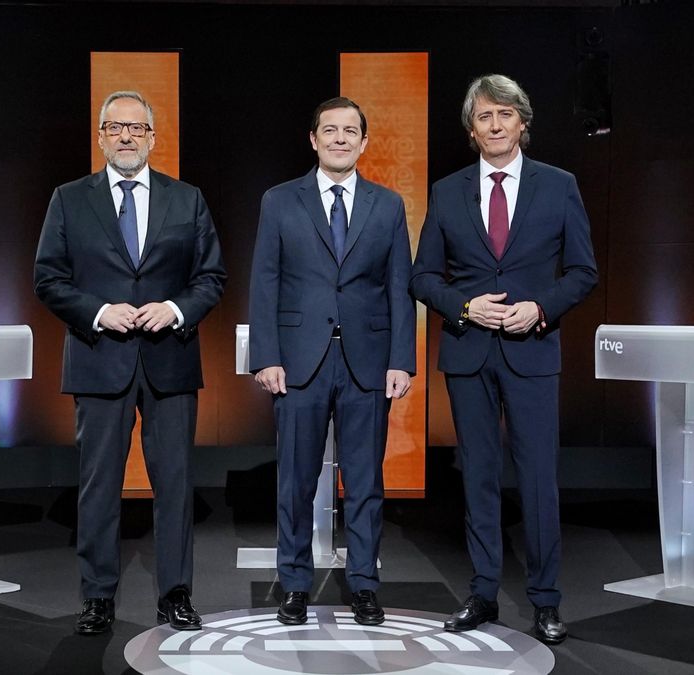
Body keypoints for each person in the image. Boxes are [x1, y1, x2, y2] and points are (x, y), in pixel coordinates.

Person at [410, 74, 597, 645]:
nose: (495, 125)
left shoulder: (559, 185)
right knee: (479, 478)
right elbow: (422, 277)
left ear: (523, 122)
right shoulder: (447, 191)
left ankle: (545, 601)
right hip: (469, 356)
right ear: (473, 129)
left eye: (505, 115)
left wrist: (539, 309)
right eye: (485, 117)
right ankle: (483, 592)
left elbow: (583, 272)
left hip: (532, 352)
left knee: (539, 479)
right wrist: (465, 306)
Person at [34, 90, 226, 635]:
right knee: (98, 486)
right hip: (99, 360)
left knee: (176, 484)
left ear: (152, 138)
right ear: (99, 135)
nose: (125, 137)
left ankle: (176, 594)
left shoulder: (186, 199)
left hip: (170, 362)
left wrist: (173, 309)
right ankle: (97, 597)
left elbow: (211, 277)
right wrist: (97, 312)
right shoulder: (69, 198)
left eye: (136, 129)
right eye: (115, 127)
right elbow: (48, 278)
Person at [248, 96, 416, 627]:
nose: (340, 138)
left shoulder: (387, 205)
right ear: (313, 139)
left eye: (350, 131)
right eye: (330, 130)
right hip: (298, 363)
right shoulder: (279, 200)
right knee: (296, 480)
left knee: (365, 481)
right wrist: (266, 356)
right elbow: (265, 281)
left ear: (365, 142)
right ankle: (294, 584)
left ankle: (364, 585)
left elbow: (399, 289)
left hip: (367, 361)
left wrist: (402, 360)